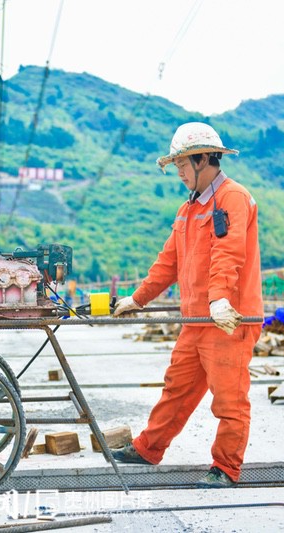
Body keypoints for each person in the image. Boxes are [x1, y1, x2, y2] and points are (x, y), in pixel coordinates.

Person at [112, 122, 263, 488]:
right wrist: (137, 298)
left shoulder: (232, 198)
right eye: (177, 165)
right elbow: (169, 262)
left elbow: (229, 254)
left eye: (182, 164)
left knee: (229, 398)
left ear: (202, 158)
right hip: (196, 320)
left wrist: (220, 300)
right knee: (177, 387)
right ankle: (149, 448)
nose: (178, 172)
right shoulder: (187, 210)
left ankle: (226, 468)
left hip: (228, 320)